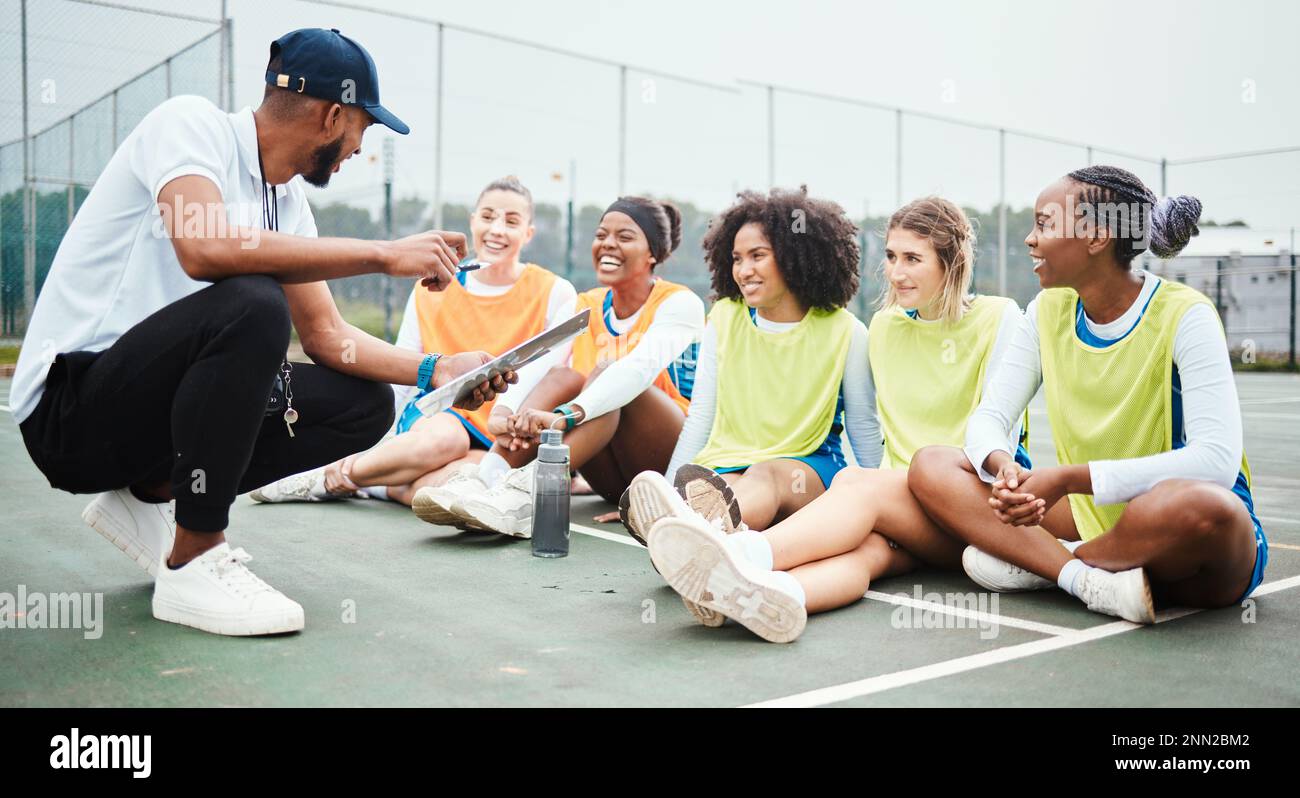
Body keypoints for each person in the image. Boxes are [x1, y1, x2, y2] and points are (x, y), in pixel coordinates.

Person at [10, 28, 512, 637]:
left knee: (359, 406)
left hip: (140, 419)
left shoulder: (287, 202)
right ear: (333, 116)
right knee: (253, 303)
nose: (360, 147)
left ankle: (147, 493)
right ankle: (195, 554)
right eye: (362, 129)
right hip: (69, 410)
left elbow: (328, 336)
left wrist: (440, 370)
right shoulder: (191, 126)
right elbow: (205, 248)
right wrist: (383, 253)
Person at [637, 197, 1027, 642]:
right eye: (892, 257)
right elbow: (876, 435)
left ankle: (736, 553)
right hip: (908, 510)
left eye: (913, 259)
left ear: (952, 260)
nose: (897, 273)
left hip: (969, 505)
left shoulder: (1001, 317)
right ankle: (759, 596)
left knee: (855, 485)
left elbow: (997, 430)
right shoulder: (885, 327)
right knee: (865, 556)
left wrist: (881, 484)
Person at [907, 165, 1267, 625]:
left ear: (1096, 237)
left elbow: (1216, 461)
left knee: (1196, 505)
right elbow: (990, 417)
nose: (1030, 240)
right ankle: (1081, 577)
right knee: (933, 466)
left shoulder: (1186, 315)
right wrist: (1003, 469)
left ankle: (1053, 562)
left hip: (1196, 544)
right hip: (1091, 515)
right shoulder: (1047, 311)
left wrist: (1068, 478)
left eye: (1044, 224)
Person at [248, 176, 576, 513]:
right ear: (473, 221)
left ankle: (379, 485)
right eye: (488, 217)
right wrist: (387, 439)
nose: (497, 229)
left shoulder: (555, 292)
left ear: (528, 233)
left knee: (465, 480)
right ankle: (332, 476)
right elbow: (407, 362)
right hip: (436, 417)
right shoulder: (433, 287)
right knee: (449, 437)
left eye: (511, 222)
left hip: (501, 431)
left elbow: (553, 370)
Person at [418, 196, 706, 538]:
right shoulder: (583, 304)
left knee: (606, 373)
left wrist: (567, 415)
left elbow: (637, 371)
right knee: (564, 375)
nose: (608, 244)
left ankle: (528, 492)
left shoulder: (680, 303)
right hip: (610, 474)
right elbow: (540, 365)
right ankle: (488, 478)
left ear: (653, 254)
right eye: (601, 235)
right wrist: (507, 412)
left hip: (665, 465)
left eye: (625, 237)